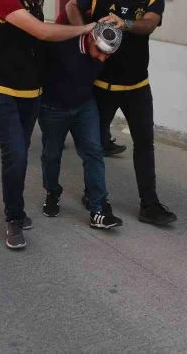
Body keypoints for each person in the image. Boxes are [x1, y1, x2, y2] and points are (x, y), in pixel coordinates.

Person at [0, 0, 95, 250]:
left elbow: (37, 38)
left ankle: (14, 205)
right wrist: (86, 28)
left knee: (21, 151)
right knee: (15, 152)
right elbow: (41, 31)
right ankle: (14, 218)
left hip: (29, 87)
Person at [65, 0, 177, 227]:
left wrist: (124, 23)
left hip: (137, 87)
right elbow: (71, 6)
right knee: (93, 145)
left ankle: (149, 204)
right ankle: (93, 195)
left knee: (144, 144)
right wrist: (84, 34)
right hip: (101, 85)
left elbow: (148, 24)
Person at [39, 22, 124, 229]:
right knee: (52, 154)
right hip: (52, 108)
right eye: (100, 51)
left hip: (85, 106)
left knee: (94, 152)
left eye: (108, 55)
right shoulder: (62, 44)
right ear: (90, 37)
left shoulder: (103, 51)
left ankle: (99, 209)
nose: (102, 58)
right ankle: (52, 192)